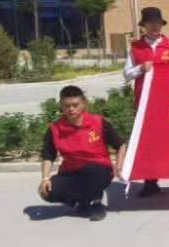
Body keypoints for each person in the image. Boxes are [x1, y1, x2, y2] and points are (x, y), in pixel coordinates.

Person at [121, 6, 169, 197]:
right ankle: (151, 182)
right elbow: (126, 74)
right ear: (143, 25)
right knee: (148, 144)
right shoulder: (136, 47)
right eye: (150, 23)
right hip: (145, 104)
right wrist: (140, 68)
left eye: (157, 23)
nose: (154, 26)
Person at [38, 85, 127, 221]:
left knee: (93, 172)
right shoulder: (55, 129)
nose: (71, 109)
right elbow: (48, 155)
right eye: (66, 106)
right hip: (71, 171)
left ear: (84, 103)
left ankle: (96, 203)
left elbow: (120, 145)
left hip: (99, 169)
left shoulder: (98, 122)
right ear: (61, 106)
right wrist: (45, 178)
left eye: (75, 105)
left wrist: (119, 167)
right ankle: (82, 202)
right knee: (46, 192)